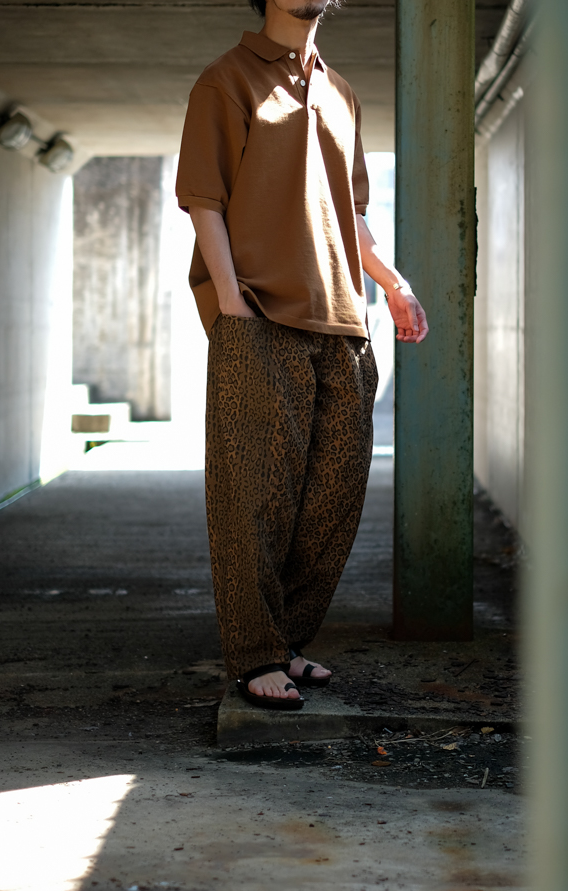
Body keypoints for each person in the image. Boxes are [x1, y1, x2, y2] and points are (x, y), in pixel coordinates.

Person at [176, 0, 428, 710]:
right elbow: (204, 200)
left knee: (333, 498)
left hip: (343, 323)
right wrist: (231, 302)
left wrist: (395, 285)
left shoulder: (341, 92)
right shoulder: (226, 80)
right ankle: (255, 653)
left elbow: (352, 214)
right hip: (259, 314)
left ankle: (285, 639)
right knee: (252, 498)